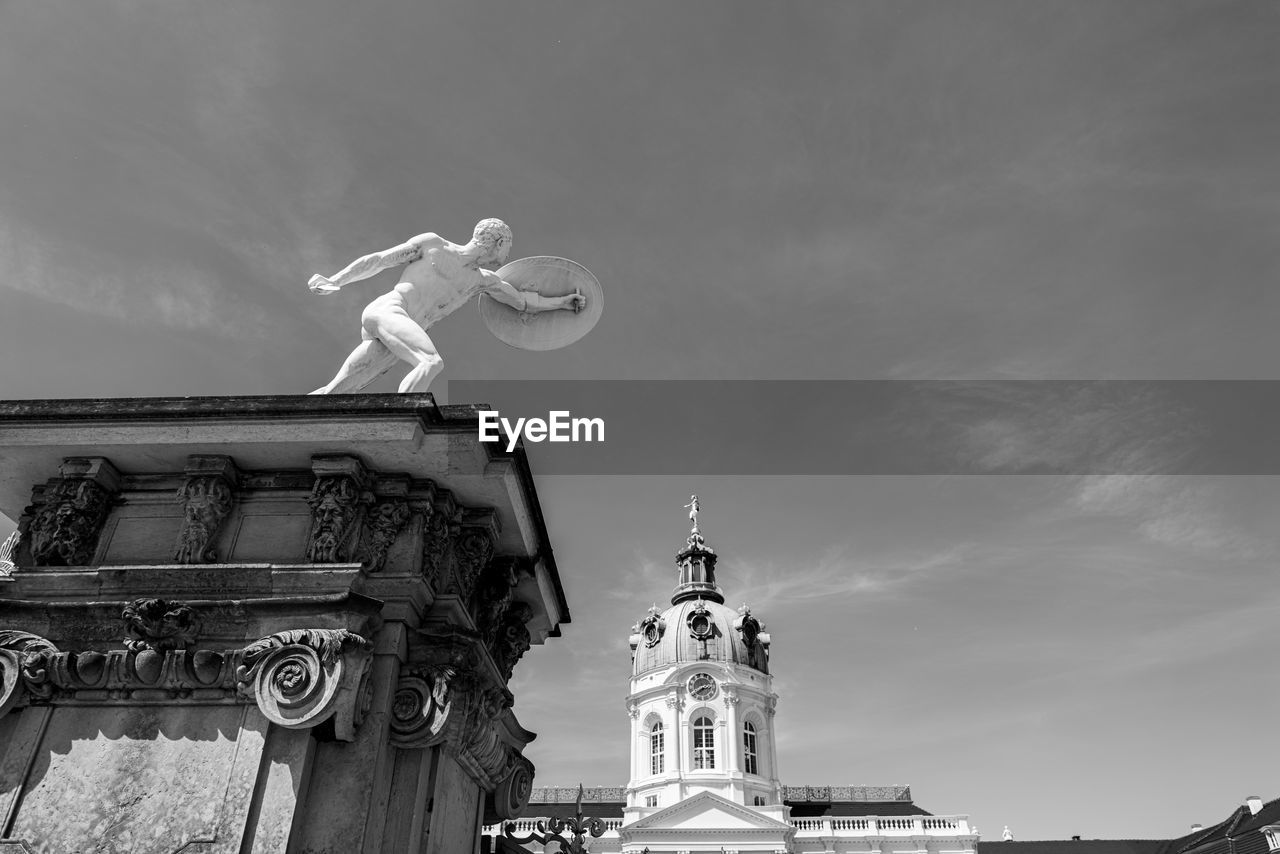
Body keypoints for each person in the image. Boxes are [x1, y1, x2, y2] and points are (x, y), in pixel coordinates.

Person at [308, 218, 585, 394]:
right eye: (507, 247)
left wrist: (562, 302)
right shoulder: (434, 245)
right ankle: (405, 422)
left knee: (341, 389)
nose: (507, 255)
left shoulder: (482, 280)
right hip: (388, 311)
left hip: (402, 329)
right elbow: (380, 260)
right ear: (498, 241)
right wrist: (336, 280)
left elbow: (523, 302)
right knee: (430, 363)